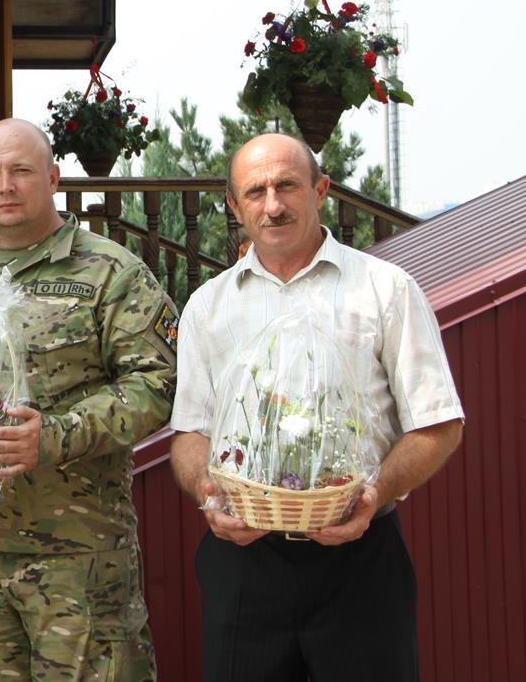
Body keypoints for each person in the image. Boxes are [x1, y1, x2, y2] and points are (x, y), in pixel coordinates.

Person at [169, 133, 464, 682]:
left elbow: (438, 423)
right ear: (234, 205)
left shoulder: (385, 288)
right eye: (255, 192)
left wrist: (374, 493)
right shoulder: (208, 306)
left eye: (287, 186)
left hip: (360, 557)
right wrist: (207, 493)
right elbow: (190, 432)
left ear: (321, 190)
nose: (272, 205)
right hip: (244, 561)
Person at [0, 118, 176, 681]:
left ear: (52, 177)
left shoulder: (112, 273)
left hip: (79, 558)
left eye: (21, 171)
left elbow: (156, 385)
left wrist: (54, 436)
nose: (5, 186)